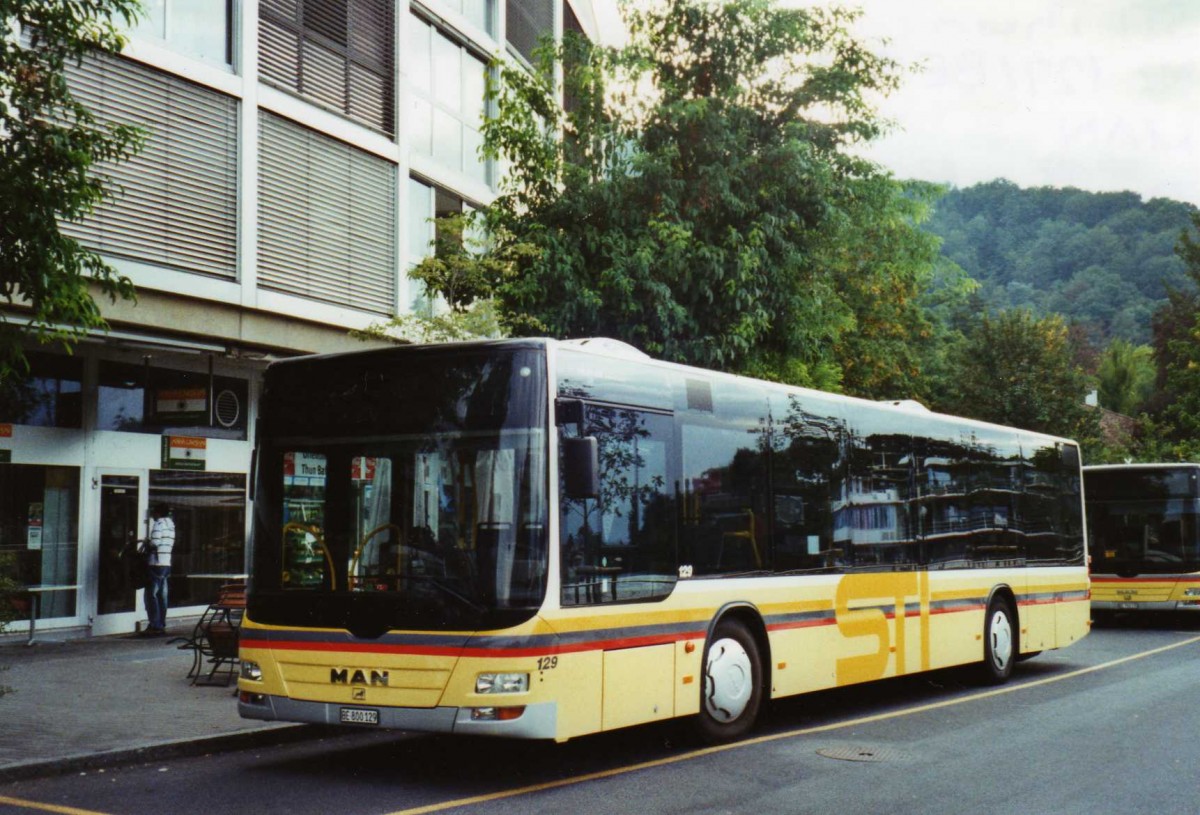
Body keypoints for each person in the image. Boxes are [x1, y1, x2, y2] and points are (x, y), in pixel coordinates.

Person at [140, 504, 175, 636]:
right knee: (163, 595)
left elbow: (155, 543)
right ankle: (161, 622)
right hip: (166, 562)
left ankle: (154, 624)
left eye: (154, 512)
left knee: (151, 594)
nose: (152, 515)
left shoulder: (159, 524)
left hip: (156, 563)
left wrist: (146, 542)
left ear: (158, 513)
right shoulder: (171, 526)